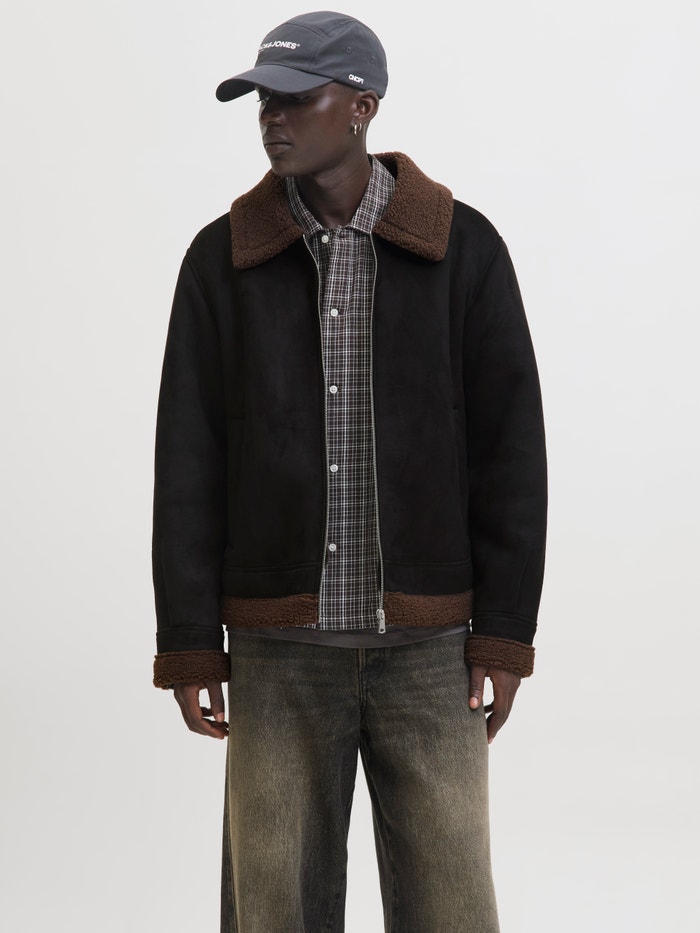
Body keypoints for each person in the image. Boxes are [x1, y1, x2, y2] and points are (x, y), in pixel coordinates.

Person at [151, 11, 547, 932]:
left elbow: (511, 453)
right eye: (263, 101)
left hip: (432, 656)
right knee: (273, 910)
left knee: (452, 908)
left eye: (296, 98)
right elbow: (187, 459)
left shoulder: (464, 250)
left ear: (362, 106)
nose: (272, 118)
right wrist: (190, 640)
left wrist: (503, 634)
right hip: (277, 654)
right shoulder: (220, 260)